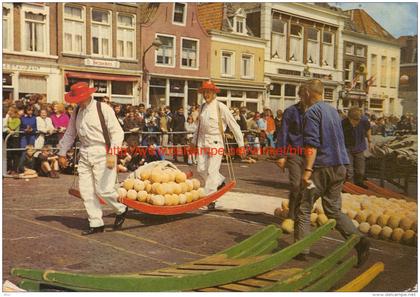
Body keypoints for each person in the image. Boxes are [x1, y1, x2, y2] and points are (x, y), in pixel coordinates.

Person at [296, 79, 370, 267]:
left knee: (304, 205)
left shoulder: (311, 113)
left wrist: (307, 170)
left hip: (321, 169)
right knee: (333, 209)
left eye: (301, 94)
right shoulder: (334, 112)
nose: (300, 98)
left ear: (307, 93)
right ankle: (359, 240)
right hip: (340, 166)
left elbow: (312, 144)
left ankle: (302, 249)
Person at [58, 82, 128, 235]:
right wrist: (62, 153)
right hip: (84, 152)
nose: (77, 102)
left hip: (103, 151)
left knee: (104, 189)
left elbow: (117, 132)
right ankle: (96, 223)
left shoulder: (103, 109)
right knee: (86, 190)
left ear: (88, 95)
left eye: (79, 98)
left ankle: (121, 208)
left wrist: (113, 152)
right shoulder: (76, 111)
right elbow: (70, 133)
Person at [192, 81, 245, 205]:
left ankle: (210, 198)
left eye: (209, 92)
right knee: (200, 168)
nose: (206, 94)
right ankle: (220, 181)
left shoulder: (221, 107)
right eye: (204, 92)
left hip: (216, 142)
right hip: (202, 142)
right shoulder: (202, 107)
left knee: (212, 171)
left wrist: (241, 145)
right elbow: (199, 126)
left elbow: (234, 126)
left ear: (214, 93)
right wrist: (193, 141)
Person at [276, 85, 307, 223]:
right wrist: (281, 155)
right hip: (293, 153)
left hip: (311, 155)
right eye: (303, 95)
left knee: (306, 186)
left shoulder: (315, 112)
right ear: (300, 96)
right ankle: (291, 215)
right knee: (295, 184)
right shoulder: (291, 111)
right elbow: (283, 133)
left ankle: (300, 214)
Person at [341, 107, 372, 188]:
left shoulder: (364, 121)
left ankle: (359, 183)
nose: (356, 122)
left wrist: (370, 141)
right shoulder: (343, 123)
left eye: (358, 120)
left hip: (359, 147)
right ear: (349, 118)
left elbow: (368, 129)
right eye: (354, 120)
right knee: (349, 170)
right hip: (347, 148)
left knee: (360, 170)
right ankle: (349, 186)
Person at [6, 107, 21, 174]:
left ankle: (15, 169)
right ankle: (9, 168)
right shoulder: (8, 119)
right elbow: (5, 127)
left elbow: (12, 127)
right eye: (9, 111)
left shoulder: (18, 120)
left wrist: (8, 122)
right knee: (9, 154)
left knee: (15, 154)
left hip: (15, 138)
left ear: (15, 113)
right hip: (9, 138)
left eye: (11, 111)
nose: (10, 113)